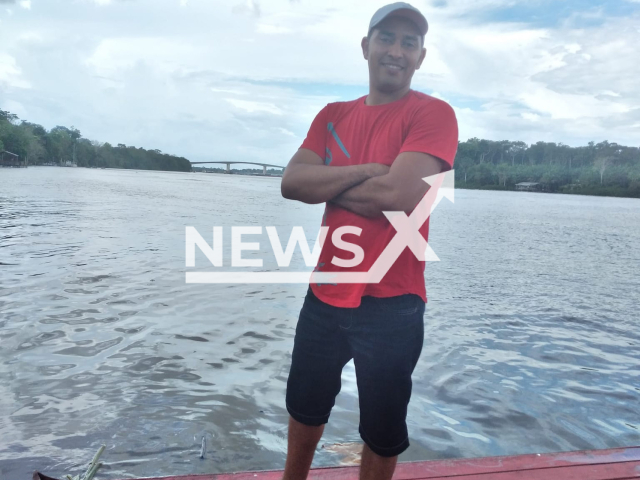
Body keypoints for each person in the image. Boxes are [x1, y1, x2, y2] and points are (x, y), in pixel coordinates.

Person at [279, 3, 459, 480]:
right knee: (304, 406)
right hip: (325, 291)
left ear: (420, 56)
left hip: (394, 301)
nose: (396, 51)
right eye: (386, 38)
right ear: (366, 47)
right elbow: (293, 182)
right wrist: (368, 172)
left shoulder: (434, 114)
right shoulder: (332, 115)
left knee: (381, 428)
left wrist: (334, 181)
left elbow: (397, 196)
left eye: (409, 42)